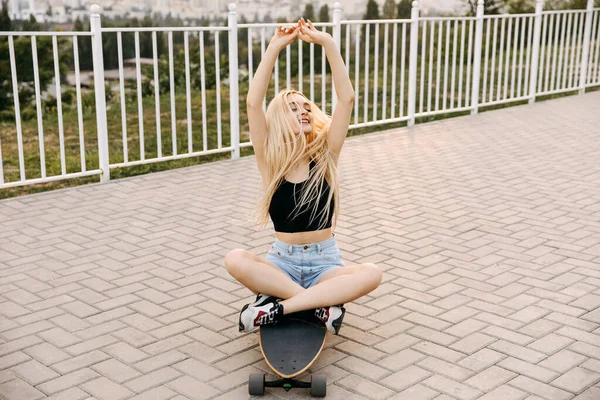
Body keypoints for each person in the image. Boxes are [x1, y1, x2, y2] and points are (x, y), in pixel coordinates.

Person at [224, 18, 382, 335]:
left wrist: (328, 43)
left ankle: (276, 307)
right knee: (235, 259)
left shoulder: (326, 156)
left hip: (325, 264)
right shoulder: (270, 161)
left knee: (372, 273)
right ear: (281, 119)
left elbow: (347, 98)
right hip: (282, 262)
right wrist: (273, 47)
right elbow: (253, 102)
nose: (304, 112)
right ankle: (319, 306)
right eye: (294, 109)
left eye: (306, 107)